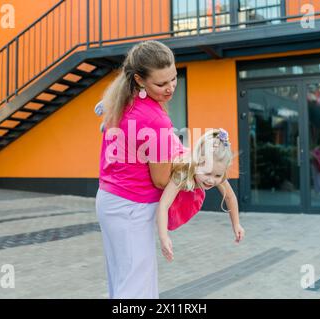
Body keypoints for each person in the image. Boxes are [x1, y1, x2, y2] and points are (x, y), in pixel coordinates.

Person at [95, 40, 179, 299]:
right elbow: (162, 179)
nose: (170, 88)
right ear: (140, 80)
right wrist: (192, 167)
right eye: (161, 84)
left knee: (122, 283)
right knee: (136, 292)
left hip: (111, 202)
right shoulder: (156, 120)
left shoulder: (121, 100)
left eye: (174, 78)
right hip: (132, 208)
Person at [157, 128, 245, 262]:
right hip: (171, 153)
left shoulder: (216, 172)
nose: (211, 180)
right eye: (207, 173)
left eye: (217, 175)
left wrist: (236, 224)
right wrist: (164, 237)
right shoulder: (182, 173)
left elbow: (230, 197)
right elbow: (163, 204)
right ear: (196, 163)